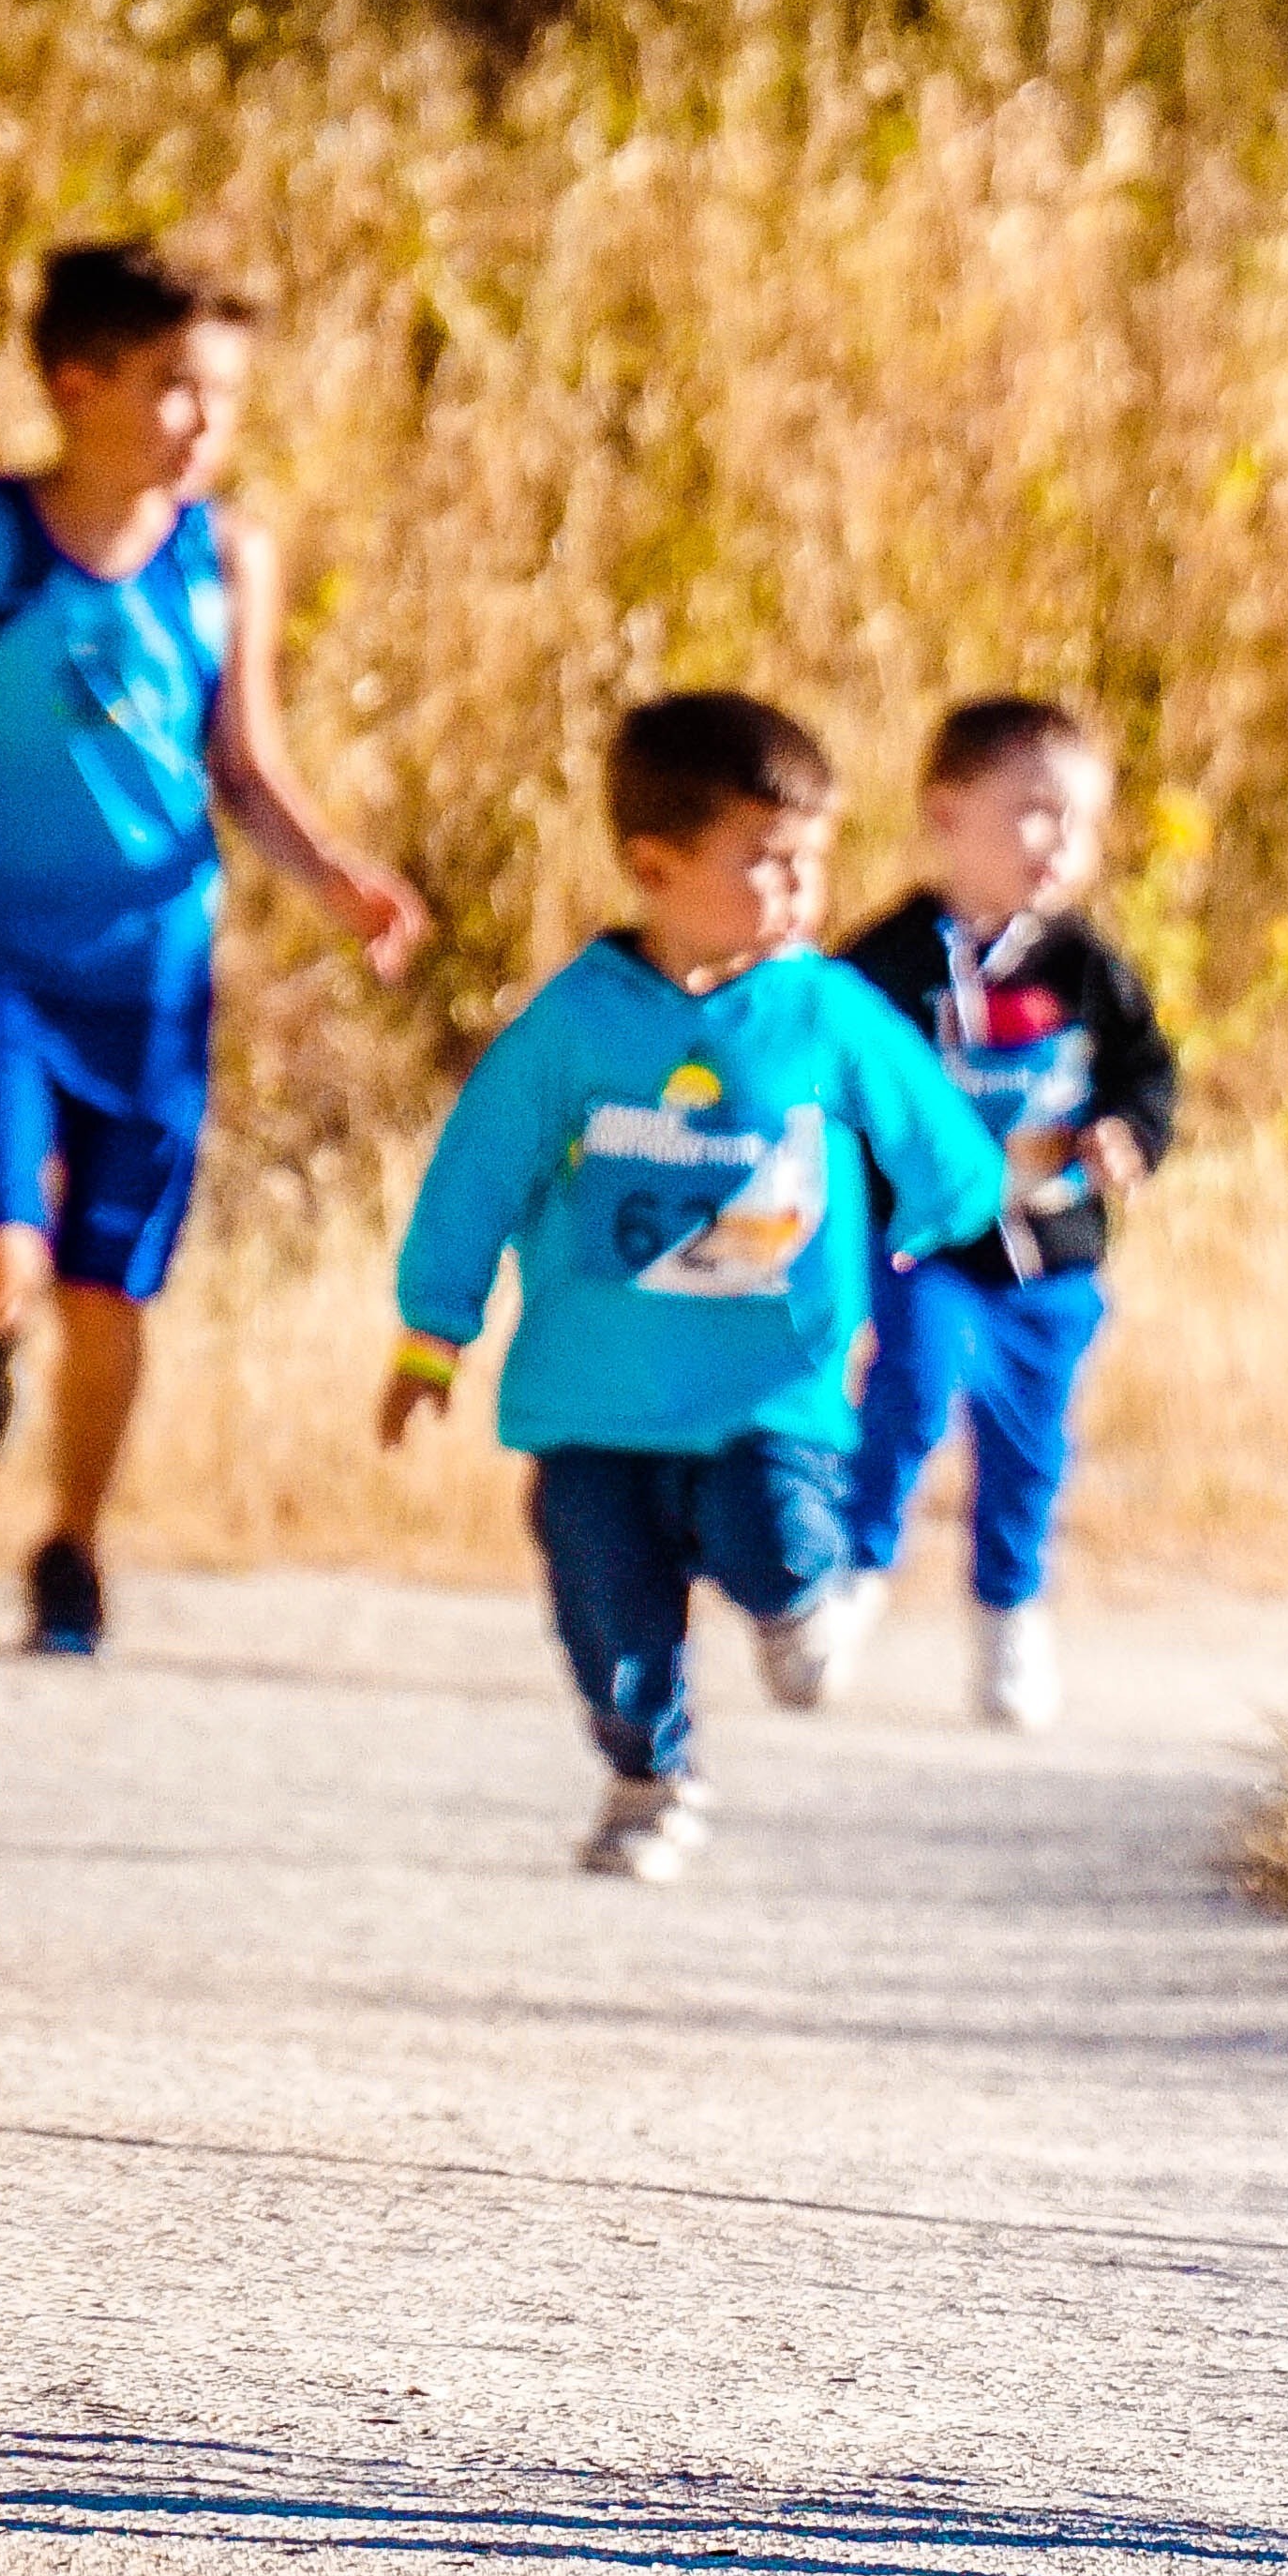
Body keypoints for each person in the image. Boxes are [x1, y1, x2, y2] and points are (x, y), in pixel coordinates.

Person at [0, 240, 431, 1656]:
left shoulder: (228, 558)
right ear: (73, 384)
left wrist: (336, 876)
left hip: (153, 978)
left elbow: (245, 760)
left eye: (223, 394)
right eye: (175, 389)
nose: (207, 422)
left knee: (112, 1283)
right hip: (0, 963)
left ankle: (73, 1546)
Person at [378, 694, 1006, 1881]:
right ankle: (648, 1780)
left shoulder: (823, 1006)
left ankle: (800, 1598)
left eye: (813, 863)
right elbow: (477, 1177)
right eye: (766, 863)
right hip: (593, 1398)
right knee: (606, 1609)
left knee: (770, 1538)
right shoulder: (574, 1025)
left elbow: (936, 1134)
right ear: (653, 865)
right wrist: (431, 1336)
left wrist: (943, 1214)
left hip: (770, 1387)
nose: (801, 893)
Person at [827, 697, 1178, 1733]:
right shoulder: (886, 961)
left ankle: (1009, 1614)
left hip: (1052, 1253)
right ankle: (851, 1579)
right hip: (925, 1244)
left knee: (1031, 1445)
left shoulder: (1084, 965)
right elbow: (833, 1080)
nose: (1060, 843)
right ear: (946, 814)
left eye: (1079, 822)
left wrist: (1128, 1131)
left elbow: (1145, 1073)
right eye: (1033, 812)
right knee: (911, 1392)